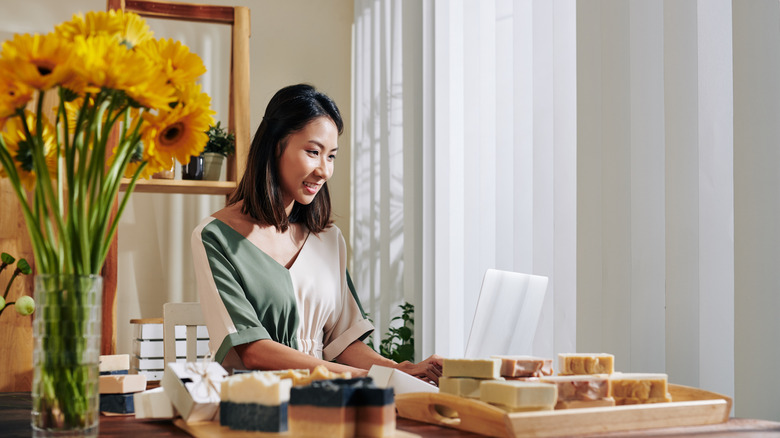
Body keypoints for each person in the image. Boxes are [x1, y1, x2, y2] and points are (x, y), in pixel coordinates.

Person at [191, 84, 442, 384]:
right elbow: (252, 351)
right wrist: (366, 376)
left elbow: (343, 341)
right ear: (275, 146)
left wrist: (399, 370)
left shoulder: (328, 238)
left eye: (331, 156)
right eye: (313, 152)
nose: (324, 170)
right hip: (252, 405)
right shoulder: (216, 236)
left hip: (322, 399)